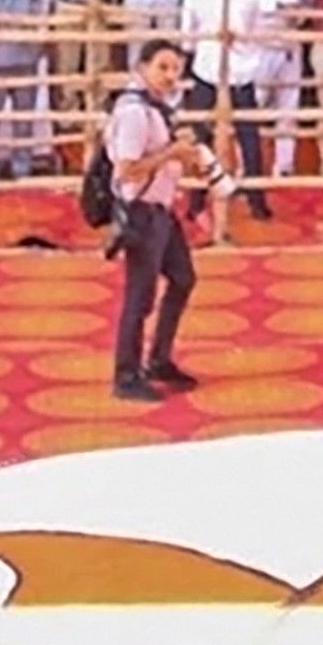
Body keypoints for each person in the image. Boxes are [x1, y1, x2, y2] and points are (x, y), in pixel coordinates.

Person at [100, 37, 207, 403]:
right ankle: (126, 374)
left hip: (161, 209)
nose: (170, 76)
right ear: (142, 68)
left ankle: (158, 359)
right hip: (143, 210)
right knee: (139, 295)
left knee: (183, 278)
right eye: (162, 67)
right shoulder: (134, 112)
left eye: (175, 69)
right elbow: (128, 170)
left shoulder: (157, 108)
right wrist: (170, 153)